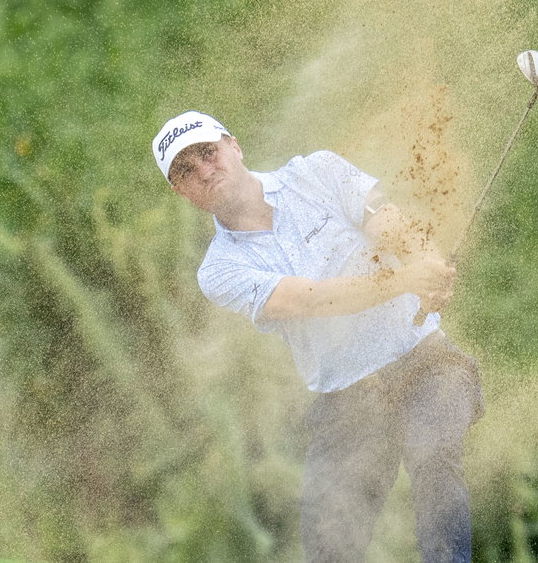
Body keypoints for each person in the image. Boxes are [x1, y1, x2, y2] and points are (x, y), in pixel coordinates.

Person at [153, 111, 484, 563]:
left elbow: (389, 222)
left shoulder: (315, 171)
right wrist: (406, 280)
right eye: (186, 170)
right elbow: (309, 300)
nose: (204, 171)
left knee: (432, 450)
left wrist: (426, 262)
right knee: (328, 546)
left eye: (208, 153)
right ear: (180, 191)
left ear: (234, 146)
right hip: (347, 401)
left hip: (425, 361)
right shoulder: (219, 270)